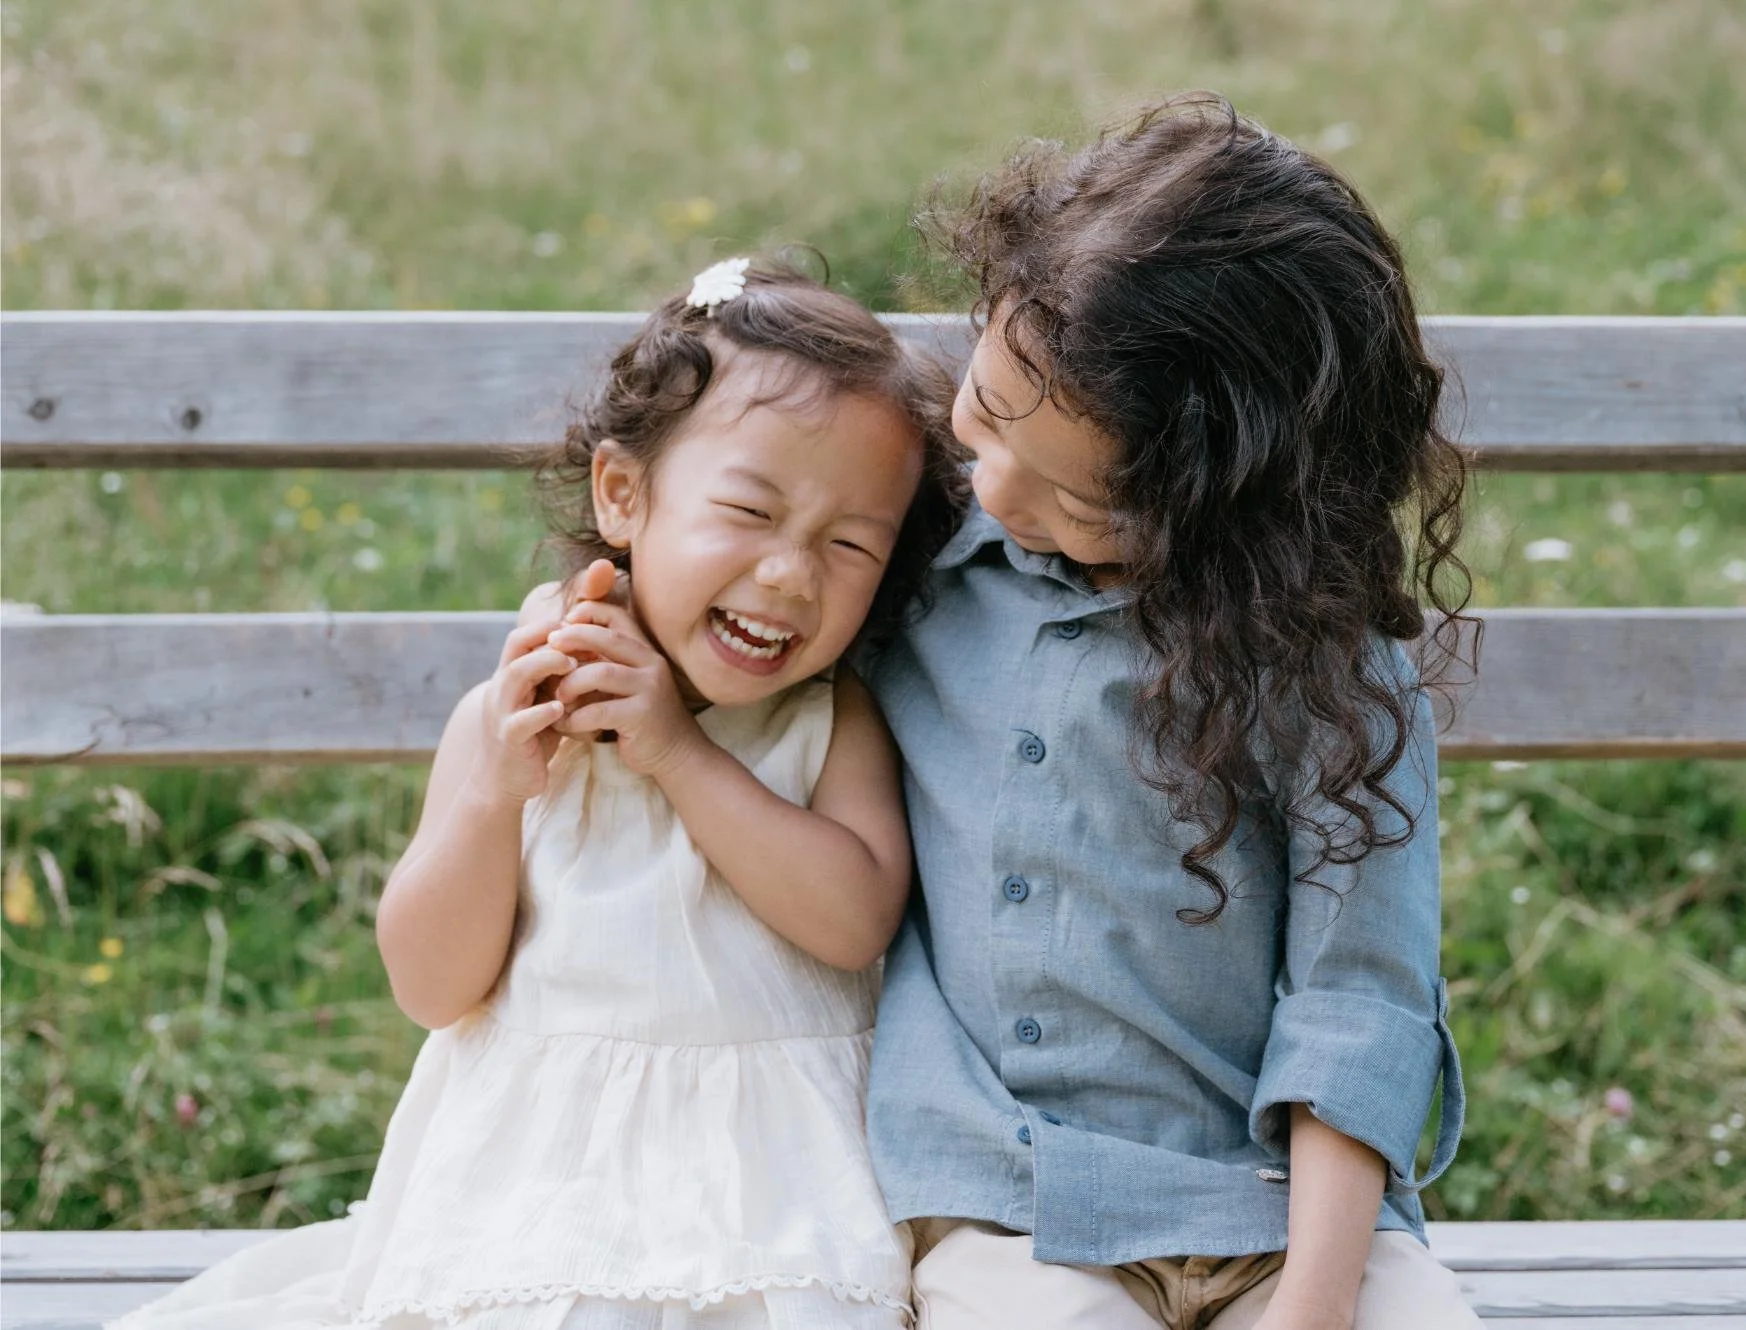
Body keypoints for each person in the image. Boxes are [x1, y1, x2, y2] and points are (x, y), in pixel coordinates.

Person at [112, 258, 965, 1330]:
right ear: (624, 494)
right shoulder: (521, 716)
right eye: (750, 510)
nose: (793, 574)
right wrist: (488, 803)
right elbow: (433, 986)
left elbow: (852, 922)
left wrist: (678, 755)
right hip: (543, 1182)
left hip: (772, 1189)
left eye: (850, 545)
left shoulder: (828, 723)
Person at [860, 95, 1484, 1329]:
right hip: (1014, 1208)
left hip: (1276, 1211)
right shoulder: (910, 557)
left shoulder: (1329, 672)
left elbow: (1359, 1001)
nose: (989, 488)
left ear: (1231, 504)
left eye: (1079, 498)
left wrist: (1314, 1301)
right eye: (984, 414)